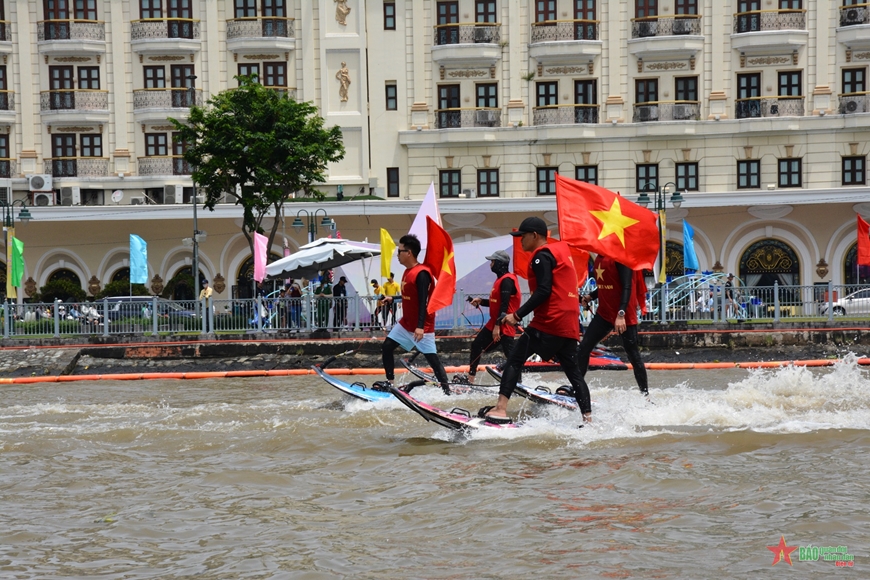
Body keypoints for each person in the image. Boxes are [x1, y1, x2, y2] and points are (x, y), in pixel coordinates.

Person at [481, 217, 591, 424]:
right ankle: (588, 419)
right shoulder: (559, 254)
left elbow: (544, 290)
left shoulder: (542, 256)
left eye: (522, 236)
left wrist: (517, 315)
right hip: (568, 323)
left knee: (514, 360)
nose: (520, 240)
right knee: (574, 372)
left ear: (534, 235)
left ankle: (500, 409)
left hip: (550, 321)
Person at [376, 234, 451, 394]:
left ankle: (447, 392)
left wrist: (420, 327)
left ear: (408, 253)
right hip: (406, 323)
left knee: (433, 360)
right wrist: (393, 298)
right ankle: (390, 383)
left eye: (399, 251)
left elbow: (424, 301)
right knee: (387, 347)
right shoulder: (407, 271)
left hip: (422, 325)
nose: (397, 255)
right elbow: (411, 295)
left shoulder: (422, 273)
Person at [578, 254, 650, 398]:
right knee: (584, 347)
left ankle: (645, 396)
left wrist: (621, 314)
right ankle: (577, 389)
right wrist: (590, 297)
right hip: (604, 314)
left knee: (633, 354)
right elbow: (607, 285)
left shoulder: (621, 258)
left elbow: (627, 286)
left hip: (623, 316)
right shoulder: (598, 258)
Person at [464, 250, 520, 384]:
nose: (490, 265)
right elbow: (497, 303)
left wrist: (497, 327)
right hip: (494, 322)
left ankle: (518, 383)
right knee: (477, 345)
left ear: (500, 263)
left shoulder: (507, 280)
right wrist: (481, 301)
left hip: (505, 323)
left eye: (493, 262)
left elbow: (505, 306)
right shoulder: (500, 280)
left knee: (510, 356)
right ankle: (471, 378)